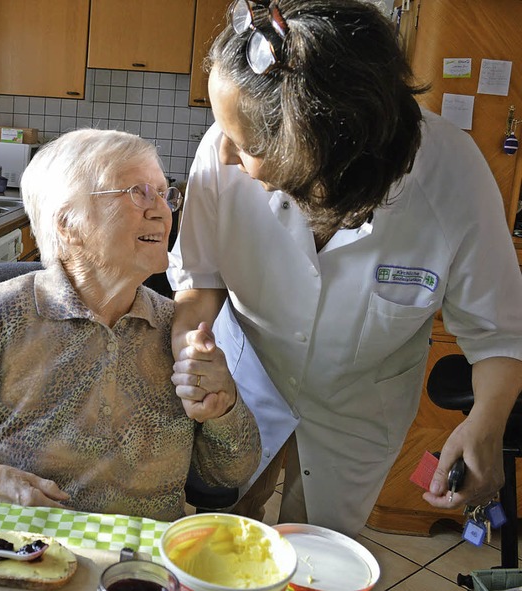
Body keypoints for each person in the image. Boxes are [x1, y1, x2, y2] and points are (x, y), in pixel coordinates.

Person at [168, 0, 522, 536]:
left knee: (318, 551)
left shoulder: (453, 177)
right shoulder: (221, 152)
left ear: (319, 152)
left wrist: (487, 420)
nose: (223, 158)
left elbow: (498, 331)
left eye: (250, 146)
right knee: (225, 537)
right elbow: (199, 276)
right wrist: (190, 347)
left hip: (358, 408)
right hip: (243, 386)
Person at [0, 128, 261, 522]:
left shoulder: (177, 331)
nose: (162, 210)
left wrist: (224, 407)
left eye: (164, 194)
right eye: (137, 192)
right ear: (68, 224)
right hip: (18, 553)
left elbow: (230, 472)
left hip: (140, 565)